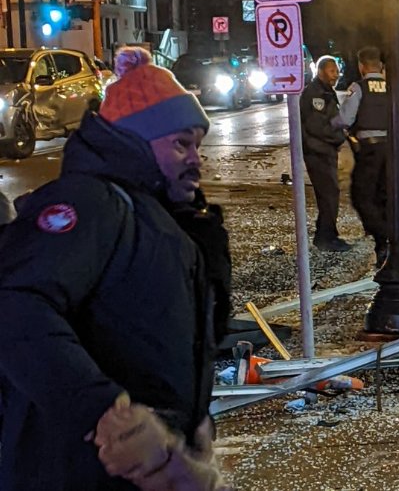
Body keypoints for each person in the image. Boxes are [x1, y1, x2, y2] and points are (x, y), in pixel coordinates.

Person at [0, 47, 231, 491]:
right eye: (181, 143)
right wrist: (107, 414)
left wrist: (194, 422)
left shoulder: (161, 217)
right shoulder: (92, 202)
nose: (196, 160)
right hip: (71, 469)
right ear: (136, 142)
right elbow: (16, 304)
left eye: (198, 145)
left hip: (136, 471)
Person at [334, 46, 390, 267]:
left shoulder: (359, 87)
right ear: (380, 66)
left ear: (362, 67)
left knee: (361, 196)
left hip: (369, 151)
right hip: (391, 151)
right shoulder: (393, 88)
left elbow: (345, 119)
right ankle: (386, 245)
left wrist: (330, 123)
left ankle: (382, 236)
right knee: (386, 196)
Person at [301, 55, 348, 251]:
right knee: (329, 194)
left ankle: (325, 233)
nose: (335, 75)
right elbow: (317, 127)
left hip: (324, 150)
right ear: (320, 72)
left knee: (328, 194)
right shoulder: (315, 94)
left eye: (337, 71)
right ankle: (326, 238)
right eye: (331, 71)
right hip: (317, 151)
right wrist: (339, 137)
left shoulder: (326, 91)